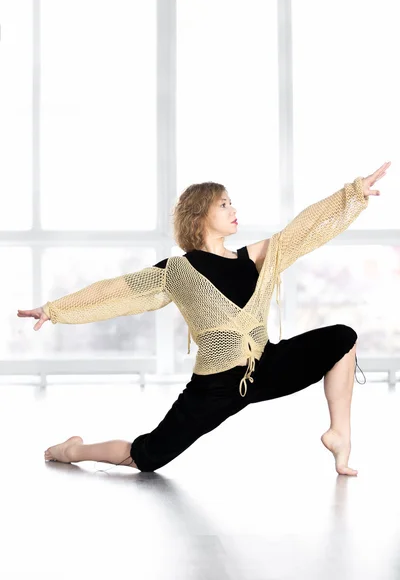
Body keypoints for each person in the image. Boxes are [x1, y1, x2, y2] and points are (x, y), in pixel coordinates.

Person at [17, 161, 391, 476]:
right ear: (199, 215)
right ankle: (71, 451)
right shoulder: (178, 271)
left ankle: (340, 434)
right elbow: (116, 292)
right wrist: (54, 310)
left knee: (342, 338)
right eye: (223, 204)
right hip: (216, 387)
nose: (233, 210)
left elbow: (302, 232)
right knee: (146, 457)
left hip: (267, 365)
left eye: (232, 203)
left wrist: (354, 194)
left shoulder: (254, 257)